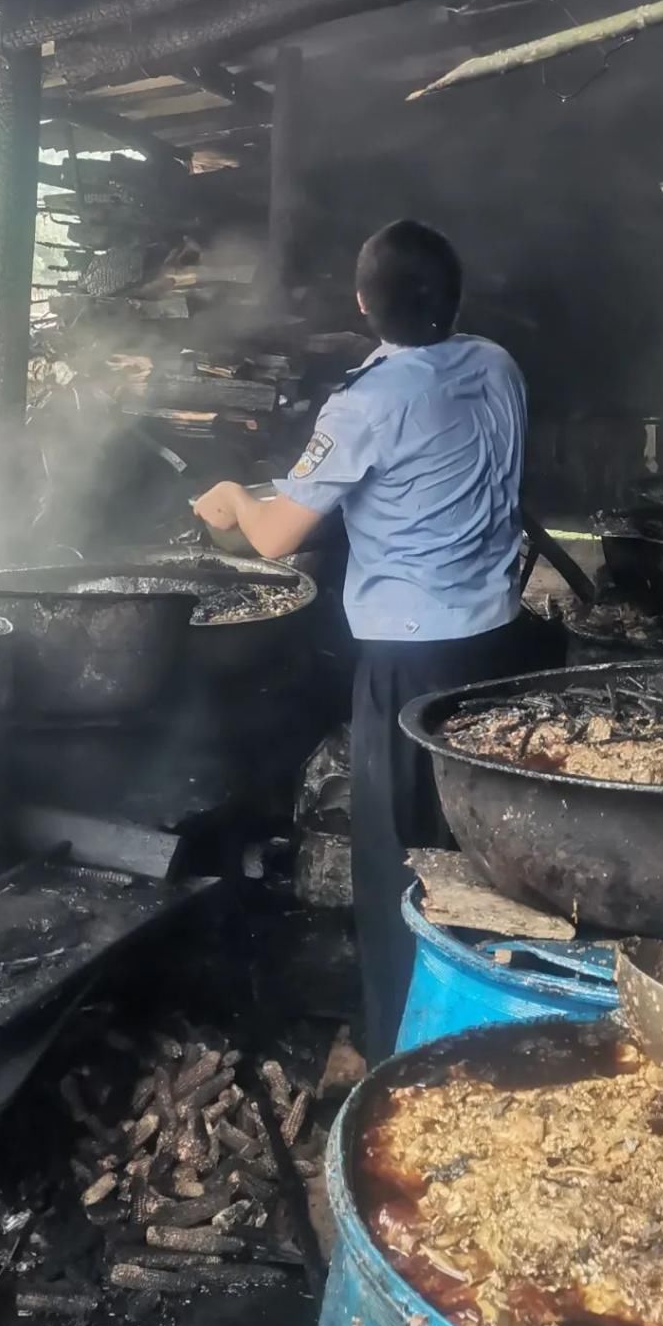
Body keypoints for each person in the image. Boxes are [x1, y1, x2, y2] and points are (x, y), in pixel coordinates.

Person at [193, 220, 555, 1063]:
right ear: (456, 298)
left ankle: (405, 1043)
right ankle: (499, 1014)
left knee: (402, 856)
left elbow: (278, 536)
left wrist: (233, 503)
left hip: (409, 662)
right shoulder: (496, 364)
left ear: (362, 305)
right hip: (496, 642)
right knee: (483, 843)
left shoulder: (364, 403)